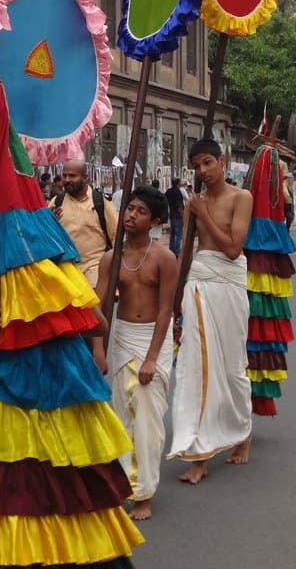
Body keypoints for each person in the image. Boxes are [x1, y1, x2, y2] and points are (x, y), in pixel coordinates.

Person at [168, 138, 253, 484]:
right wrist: (175, 297)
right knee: (195, 367)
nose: (202, 171)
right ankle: (197, 452)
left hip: (229, 286)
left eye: (207, 163)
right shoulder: (193, 203)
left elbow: (233, 248)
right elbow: (185, 250)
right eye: (197, 165)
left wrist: (203, 214)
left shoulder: (240, 198)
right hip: (199, 284)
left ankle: (242, 430)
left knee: (232, 367)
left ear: (222, 160)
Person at [93, 186, 178, 521]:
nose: (131, 215)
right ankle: (122, 485)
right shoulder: (110, 258)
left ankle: (144, 494)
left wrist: (152, 359)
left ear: (154, 220)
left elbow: (165, 311)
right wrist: (98, 349)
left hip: (152, 341)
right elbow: (99, 308)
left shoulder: (164, 258)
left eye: (140, 211)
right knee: (121, 417)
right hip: (122, 337)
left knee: (147, 419)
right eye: (129, 208)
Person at [49, 159, 117, 287]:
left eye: (72, 176)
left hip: (94, 274)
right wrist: (51, 222)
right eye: (65, 175)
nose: (67, 180)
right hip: (65, 276)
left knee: (94, 307)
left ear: (85, 177)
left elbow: (116, 238)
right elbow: (46, 237)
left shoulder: (101, 203)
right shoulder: (56, 203)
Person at [165, 178, 185, 257]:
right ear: (178, 183)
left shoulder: (169, 191)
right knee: (178, 234)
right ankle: (177, 252)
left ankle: (171, 250)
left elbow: (165, 199)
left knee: (173, 233)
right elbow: (179, 206)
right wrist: (183, 215)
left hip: (172, 214)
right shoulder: (177, 191)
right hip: (177, 215)